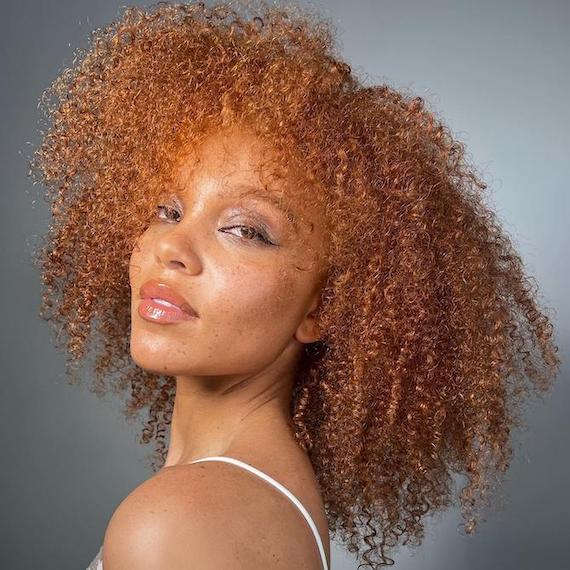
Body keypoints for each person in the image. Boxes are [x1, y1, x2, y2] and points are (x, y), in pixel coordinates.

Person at [30, 1, 561, 569]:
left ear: (324, 305)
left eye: (244, 230)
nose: (170, 247)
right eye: (167, 208)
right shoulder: (257, 500)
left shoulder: (179, 521)